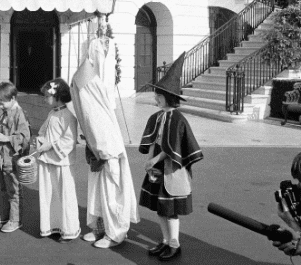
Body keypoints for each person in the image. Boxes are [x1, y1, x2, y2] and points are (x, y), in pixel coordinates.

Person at [70, 16, 139, 249]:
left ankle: (115, 232)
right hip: (98, 153)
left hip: (108, 155)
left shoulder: (97, 104)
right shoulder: (87, 95)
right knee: (96, 192)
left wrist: (101, 151)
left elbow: (102, 133)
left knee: (112, 194)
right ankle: (98, 228)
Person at [138, 52, 204, 261]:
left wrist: (154, 160)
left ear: (169, 97)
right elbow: (154, 141)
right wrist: (150, 160)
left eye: (159, 95)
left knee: (170, 209)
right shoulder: (158, 117)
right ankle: (165, 241)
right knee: (160, 208)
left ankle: (174, 244)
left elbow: (172, 147)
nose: (156, 98)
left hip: (172, 169)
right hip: (158, 168)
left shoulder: (177, 119)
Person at [35, 78, 80, 243]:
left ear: (58, 96)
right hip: (48, 160)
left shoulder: (68, 115)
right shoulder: (52, 113)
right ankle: (53, 225)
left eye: (47, 96)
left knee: (64, 195)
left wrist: (49, 146)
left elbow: (69, 139)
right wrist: (40, 139)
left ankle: (69, 229)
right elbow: (44, 130)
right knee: (50, 194)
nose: (44, 99)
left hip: (62, 162)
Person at [0, 81, 30, 233]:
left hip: (12, 159)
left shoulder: (19, 114)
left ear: (12, 98)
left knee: (14, 190)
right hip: (3, 158)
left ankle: (15, 220)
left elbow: (25, 137)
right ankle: (8, 215)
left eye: (2, 103)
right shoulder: (7, 113)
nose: (0, 106)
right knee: (5, 188)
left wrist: (6, 139)